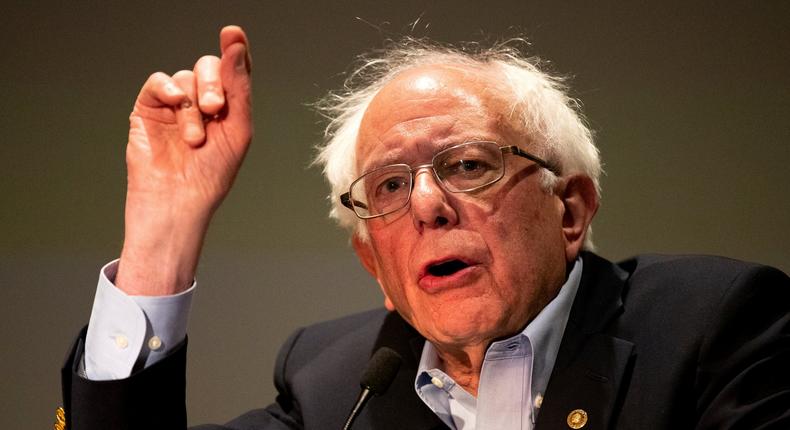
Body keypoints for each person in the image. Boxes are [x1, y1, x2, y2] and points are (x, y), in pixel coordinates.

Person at [59, 25, 789, 430]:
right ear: (375, 266)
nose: (428, 205)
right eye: (390, 186)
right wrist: (162, 228)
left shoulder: (712, 326)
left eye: (469, 165)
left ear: (570, 210)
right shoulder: (335, 384)